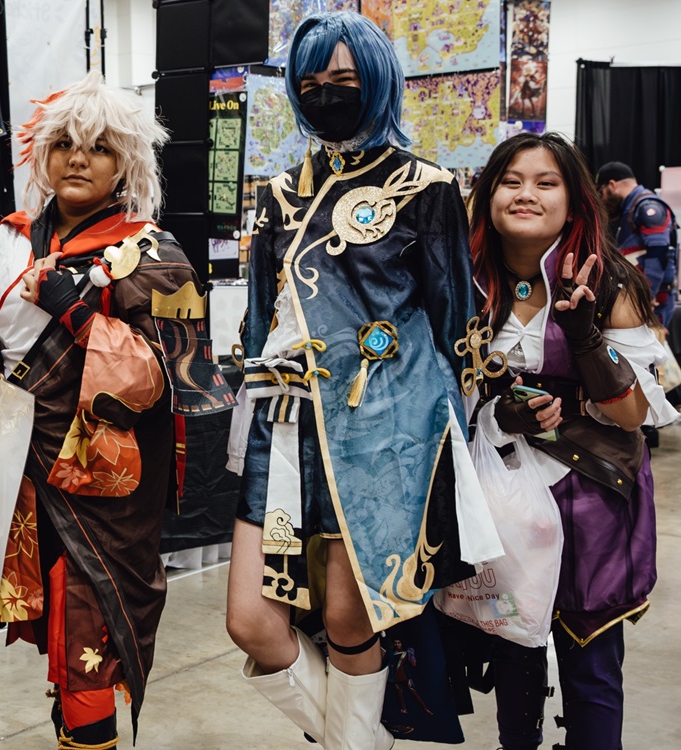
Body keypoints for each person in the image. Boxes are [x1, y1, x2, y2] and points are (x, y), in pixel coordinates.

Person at [223, 12, 485, 749]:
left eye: (343, 81)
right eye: (311, 85)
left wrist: (448, 448)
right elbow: (256, 321)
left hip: (384, 429)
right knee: (251, 621)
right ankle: (364, 740)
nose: (327, 95)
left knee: (348, 615)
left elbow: (454, 322)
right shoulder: (277, 195)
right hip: (284, 427)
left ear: (376, 82)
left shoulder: (425, 186)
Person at [0, 72, 226, 749]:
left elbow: (167, 375)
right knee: (60, 628)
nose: (78, 159)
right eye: (65, 145)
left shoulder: (153, 252)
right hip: (18, 463)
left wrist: (77, 312)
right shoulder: (13, 237)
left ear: (126, 164)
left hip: (102, 480)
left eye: (100, 148)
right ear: (42, 156)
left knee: (91, 630)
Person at [456, 132, 674, 750]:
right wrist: (499, 417)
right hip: (498, 493)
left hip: (592, 491)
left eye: (546, 182)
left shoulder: (613, 281)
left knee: (592, 661)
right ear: (489, 194)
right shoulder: (460, 283)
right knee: (515, 657)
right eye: (511, 180)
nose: (526, 194)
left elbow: (633, 415)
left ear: (575, 200)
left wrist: (584, 337)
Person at [596, 161, 678, 325]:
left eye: (601, 192)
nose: (602, 199)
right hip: (636, 296)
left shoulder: (647, 207)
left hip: (652, 301)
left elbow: (659, 254)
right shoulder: (631, 209)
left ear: (612, 185)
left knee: (652, 347)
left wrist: (646, 296)